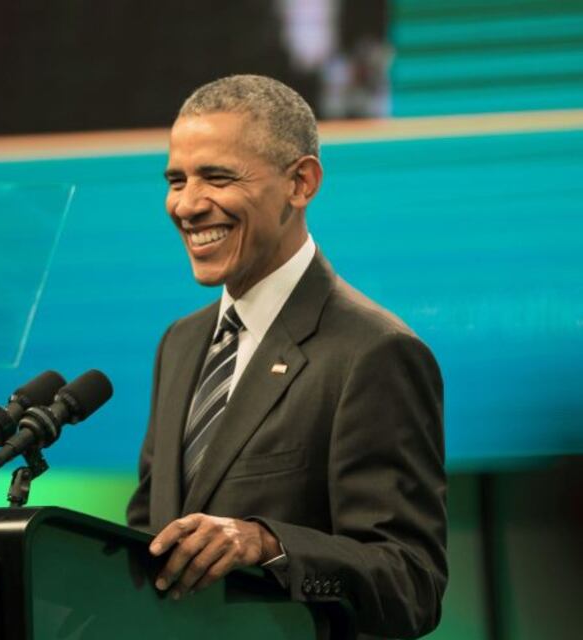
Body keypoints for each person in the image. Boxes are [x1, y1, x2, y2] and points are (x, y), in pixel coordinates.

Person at [126, 75, 447, 639]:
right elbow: (147, 537)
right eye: (177, 180)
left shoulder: (374, 352)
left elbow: (410, 584)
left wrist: (267, 544)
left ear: (300, 183)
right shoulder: (179, 343)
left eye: (217, 177)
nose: (188, 205)